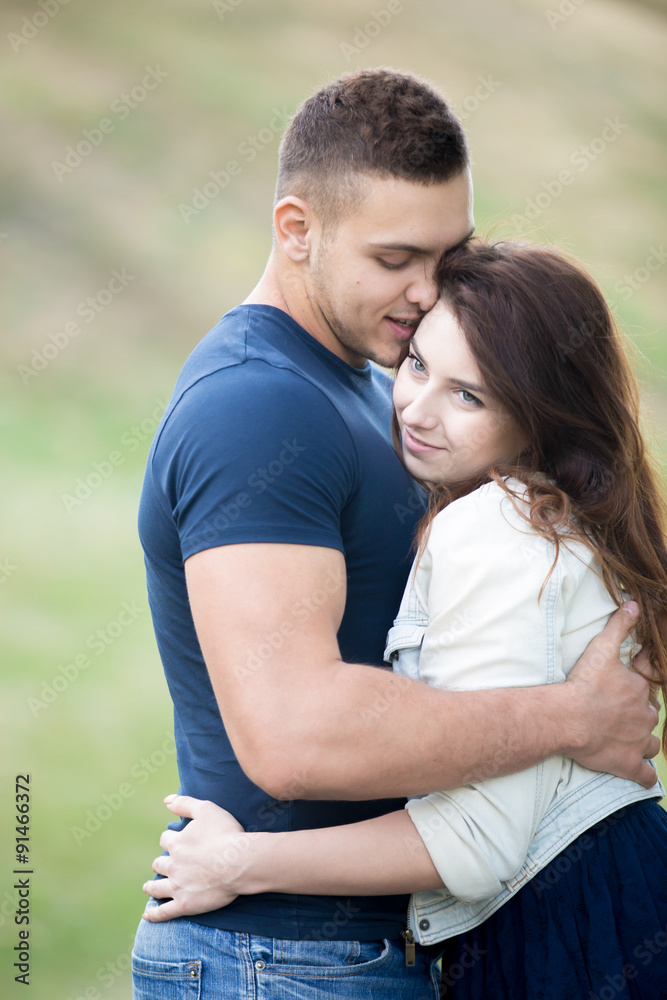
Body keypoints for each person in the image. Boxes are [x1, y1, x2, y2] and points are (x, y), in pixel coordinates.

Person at [131, 69, 659, 999]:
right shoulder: (256, 406)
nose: (426, 291)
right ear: (296, 230)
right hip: (285, 960)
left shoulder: (385, 390)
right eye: (394, 258)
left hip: (395, 940)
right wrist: (572, 718)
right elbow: (296, 740)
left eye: (448, 254)